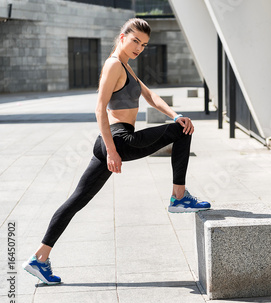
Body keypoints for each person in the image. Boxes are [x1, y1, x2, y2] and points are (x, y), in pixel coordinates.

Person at [22, 18, 210, 285]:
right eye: (135, 41)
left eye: (144, 45)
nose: (139, 48)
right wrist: (111, 151)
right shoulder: (113, 65)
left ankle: (39, 258)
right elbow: (99, 108)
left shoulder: (127, 67)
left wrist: (176, 113)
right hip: (119, 139)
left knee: (76, 200)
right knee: (181, 132)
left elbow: (150, 96)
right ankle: (179, 196)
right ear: (122, 37)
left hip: (114, 140)